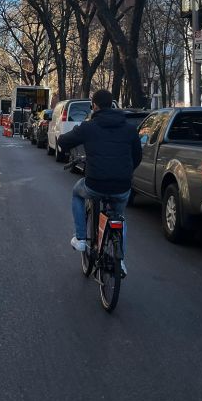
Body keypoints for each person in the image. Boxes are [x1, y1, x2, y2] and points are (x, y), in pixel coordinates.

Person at [57, 89, 142, 277]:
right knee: (119, 217)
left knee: (77, 192)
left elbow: (64, 141)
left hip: (95, 185)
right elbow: (137, 157)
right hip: (122, 186)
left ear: (94, 106)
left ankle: (80, 238)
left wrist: (62, 146)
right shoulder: (129, 128)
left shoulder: (89, 127)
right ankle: (120, 261)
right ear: (112, 104)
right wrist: (125, 172)